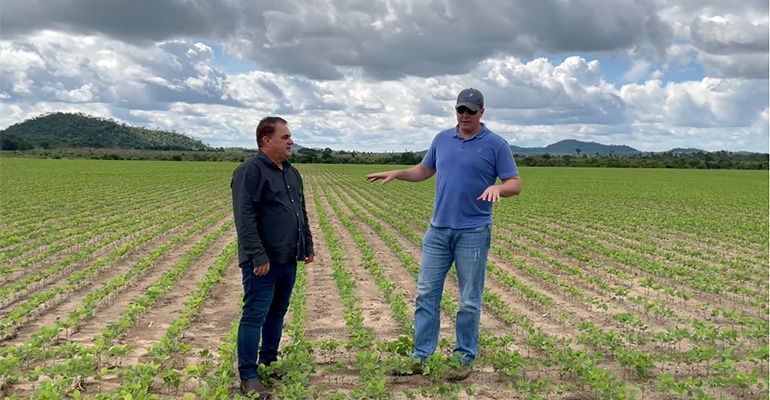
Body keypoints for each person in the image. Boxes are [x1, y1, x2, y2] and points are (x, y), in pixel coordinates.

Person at [365, 88, 521, 382]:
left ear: (482, 113)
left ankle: (463, 358)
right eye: (461, 109)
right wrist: (397, 173)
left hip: (473, 232)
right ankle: (421, 357)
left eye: (471, 111)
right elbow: (425, 170)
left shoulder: (496, 145)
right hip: (438, 231)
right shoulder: (441, 140)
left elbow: (514, 183)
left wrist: (498, 188)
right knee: (426, 294)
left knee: (469, 300)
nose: (465, 115)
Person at [231, 116, 314, 397]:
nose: (291, 142)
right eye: (285, 137)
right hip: (263, 262)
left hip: (287, 258)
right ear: (266, 140)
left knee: (277, 313)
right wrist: (258, 257)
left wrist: (307, 245)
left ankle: (268, 362)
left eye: (290, 137)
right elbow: (244, 218)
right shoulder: (250, 171)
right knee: (254, 315)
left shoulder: (290, 172)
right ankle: (248, 376)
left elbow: (300, 212)